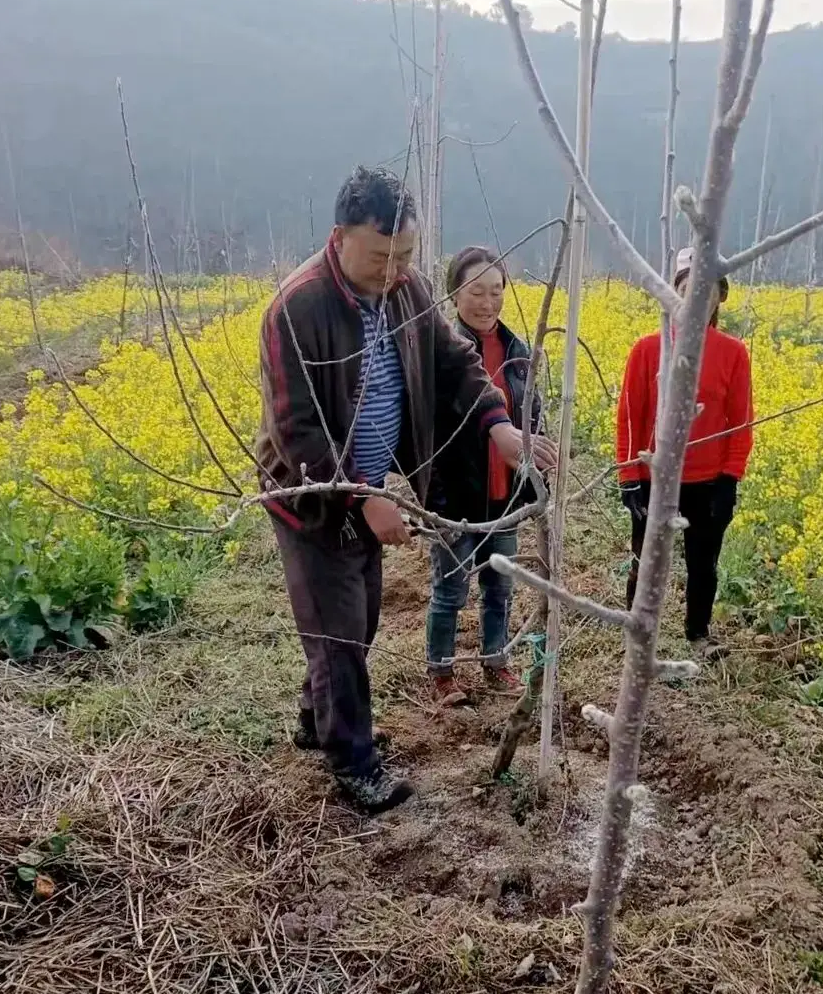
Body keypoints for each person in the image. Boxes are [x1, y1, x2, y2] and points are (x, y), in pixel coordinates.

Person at [256, 167, 556, 815]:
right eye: (380, 256)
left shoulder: (407, 290)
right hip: (312, 496)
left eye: (406, 256)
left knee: (357, 618)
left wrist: (499, 425)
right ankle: (353, 760)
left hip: (372, 488)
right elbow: (297, 428)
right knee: (339, 632)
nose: (394, 269)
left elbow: (457, 361)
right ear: (340, 238)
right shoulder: (296, 308)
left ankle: (318, 718)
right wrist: (362, 495)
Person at [615, 247, 753, 659]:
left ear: (719, 297)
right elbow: (628, 417)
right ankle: (636, 631)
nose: (697, 296)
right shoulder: (647, 349)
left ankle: (698, 634)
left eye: (707, 288)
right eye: (687, 286)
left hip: (708, 484)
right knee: (645, 561)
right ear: (672, 291)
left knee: (703, 564)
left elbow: (740, 423)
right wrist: (629, 478)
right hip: (655, 478)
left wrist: (729, 480)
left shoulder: (733, 353)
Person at [424, 246, 542, 706]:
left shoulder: (517, 350)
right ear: (454, 294)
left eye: (496, 292)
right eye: (476, 291)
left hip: (505, 495)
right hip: (456, 496)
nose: (487, 302)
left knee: (500, 587)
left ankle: (496, 663)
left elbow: (531, 417)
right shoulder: (441, 353)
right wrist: (434, 499)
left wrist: (535, 466)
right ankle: (441, 673)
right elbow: (426, 434)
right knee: (450, 590)